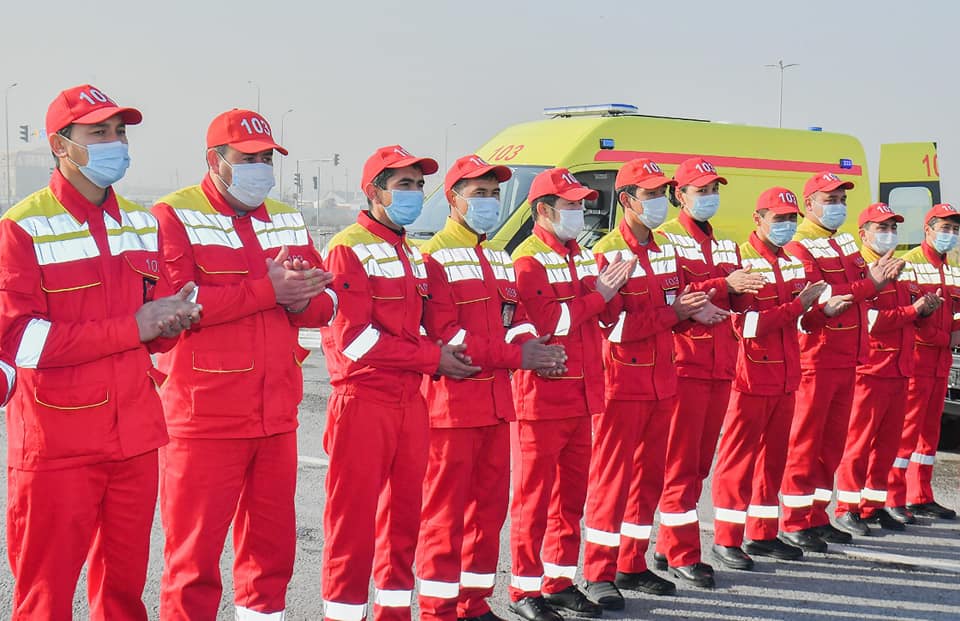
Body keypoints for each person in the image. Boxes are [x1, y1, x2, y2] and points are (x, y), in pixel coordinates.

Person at [0, 84, 201, 620]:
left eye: (120, 132)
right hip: (58, 445)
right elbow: (22, 342)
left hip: (134, 439)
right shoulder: (22, 227)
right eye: (99, 132)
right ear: (59, 145)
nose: (115, 143)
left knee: (123, 598)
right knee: (45, 600)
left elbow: (155, 333)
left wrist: (172, 319)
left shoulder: (140, 222)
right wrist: (132, 327)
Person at [151, 108, 336, 620]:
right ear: (215, 161)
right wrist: (266, 291)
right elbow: (174, 307)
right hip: (203, 418)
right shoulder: (173, 215)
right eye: (248, 159)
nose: (260, 169)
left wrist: (300, 298)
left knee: (270, 559)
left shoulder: (287, 217)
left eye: (266, 159)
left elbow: (327, 304)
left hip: (276, 416)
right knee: (193, 563)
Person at [320, 145, 481, 621]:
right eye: (403, 185)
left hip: (410, 400)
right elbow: (355, 340)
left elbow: (427, 326)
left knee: (404, 521)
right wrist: (433, 358)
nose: (414, 193)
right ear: (373, 192)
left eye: (418, 185)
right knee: (352, 527)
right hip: (364, 401)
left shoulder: (410, 251)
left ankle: (393, 614)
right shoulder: (348, 247)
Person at [416, 154, 567, 621]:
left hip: (497, 405)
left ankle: (474, 604)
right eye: (478, 193)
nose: (489, 201)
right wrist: (517, 356)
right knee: (445, 516)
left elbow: (515, 318)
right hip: (453, 409)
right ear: (453, 198)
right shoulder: (433, 256)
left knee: (487, 514)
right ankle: (439, 610)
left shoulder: (498, 257)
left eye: (494, 193)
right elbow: (448, 335)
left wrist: (531, 344)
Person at [582, 159, 725, 607]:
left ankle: (631, 563)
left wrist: (693, 313)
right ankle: (598, 573)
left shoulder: (664, 249)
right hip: (622, 384)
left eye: (663, 193)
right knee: (611, 482)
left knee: (648, 479)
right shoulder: (607, 251)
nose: (660, 202)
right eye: (651, 194)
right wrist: (676, 313)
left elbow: (673, 311)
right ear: (627, 200)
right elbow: (613, 328)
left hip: (662, 382)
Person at [507, 168, 634, 621]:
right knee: (533, 501)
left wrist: (611, 293)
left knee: (569, 500)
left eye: (582, 204)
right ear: (544, 210)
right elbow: (549, 322)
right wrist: (601, 294)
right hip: (542, 399)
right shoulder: (528, 259)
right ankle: (524, 590)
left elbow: (596, 316)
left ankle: (558, 582)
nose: (581, 212)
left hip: (581, 395)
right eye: (572, 205)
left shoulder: (577, 253)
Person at [653, 157, 764, 587]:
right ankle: (682, 554)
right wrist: (723, 285)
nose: (710, 197)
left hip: (720, 367)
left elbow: (736, 302)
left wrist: (747, 289)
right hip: (684, 366)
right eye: (701, 190)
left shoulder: (726, 246)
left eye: (714, 189)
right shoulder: (666, 240)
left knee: (698, 465)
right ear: (679, 195)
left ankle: (667, 546)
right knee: (680, 465)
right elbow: (672, 298)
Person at [779, 172, 902, 552]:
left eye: (842, 200)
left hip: (848, 357)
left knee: (830, 446)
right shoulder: (800, 245)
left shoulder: (843, 242)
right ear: (809, 204)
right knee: (805, 444)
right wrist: (871, 284)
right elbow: (822, 294)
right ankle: (794, 521)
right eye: (830, 200)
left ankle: (817, 516)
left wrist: (873, 282)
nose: (838, 206)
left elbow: (861, 284)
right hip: (818, 358)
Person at [711, 187, 830, 571]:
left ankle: (762, 534)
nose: (787, 225)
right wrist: (797, 306)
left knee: (773, 459)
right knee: (738, 460)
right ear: (758, 219)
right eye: (779, 218)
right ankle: (727, 539)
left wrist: (824, 311)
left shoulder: (792, 262)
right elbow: (744, 326)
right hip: (750, 376)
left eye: (792, 219)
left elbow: (803, 322)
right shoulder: (740, 262)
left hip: (786, 375)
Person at [833, 204, 939, 534]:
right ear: (863, 234)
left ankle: (873, 506)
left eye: (893, 227)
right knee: (859, 443)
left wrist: (924, 310)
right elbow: (870, 321)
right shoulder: (859, 269)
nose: (889, 234)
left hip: (899, 368)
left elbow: (909, 312)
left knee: (887, 445)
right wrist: (913, 311)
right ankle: (847, 507)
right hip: (871, 369)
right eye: (882, 228)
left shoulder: (901, 267)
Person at [890, 203, 960, 522]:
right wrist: (945, 338)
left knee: (929, 432)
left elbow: (955, 310)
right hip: (917, 359)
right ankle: (894, 497)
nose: (951, 234)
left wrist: (955, 332)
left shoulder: (953, 266)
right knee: (906, 431)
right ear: (927, 230)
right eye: (945, 228)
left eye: (955, 229)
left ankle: (920, 495)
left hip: (940, 361)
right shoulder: (909, 264)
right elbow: (910, 316)